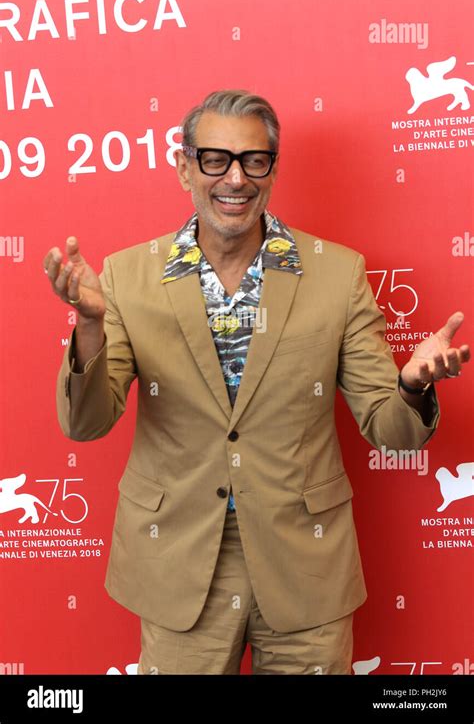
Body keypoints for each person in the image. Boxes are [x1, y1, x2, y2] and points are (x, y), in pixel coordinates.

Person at [44, 89, 470, 675]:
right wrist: (90, 326)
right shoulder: (125, 276)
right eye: (215, 159)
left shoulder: (337, 273)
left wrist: (413, 387)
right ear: (184, 167)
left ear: (272, 168)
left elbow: (391, 430)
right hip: (180, 562)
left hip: (305, 566)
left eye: (254, 159)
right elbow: (87, 424)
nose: (235, 178)